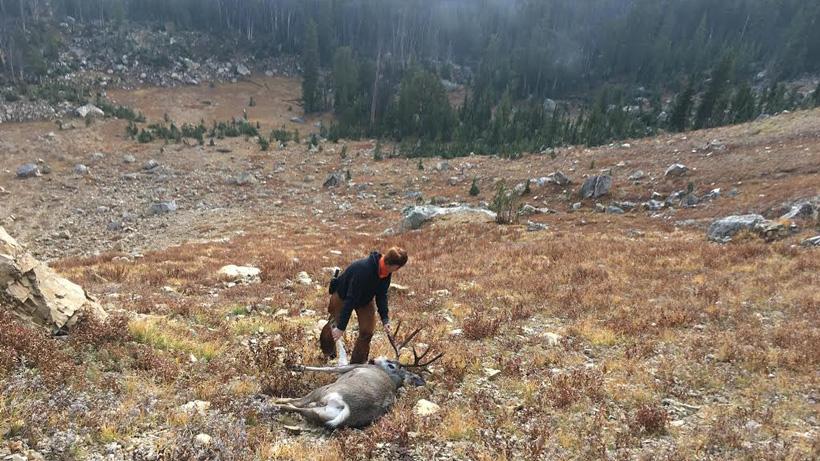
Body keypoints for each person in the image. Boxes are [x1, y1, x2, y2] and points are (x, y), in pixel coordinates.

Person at [320, 247, 408, 364]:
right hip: (343, 296)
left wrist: (385, 319)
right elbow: (350, 300)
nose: (397, 270)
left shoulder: (386, 272)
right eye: (398, 267)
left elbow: (381, 295)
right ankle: (327, 353)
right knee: (333, 325)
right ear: (394, 266)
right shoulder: (363, 270)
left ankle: (357, 365)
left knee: (367, 332)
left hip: (365, 300)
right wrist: (341, 328)